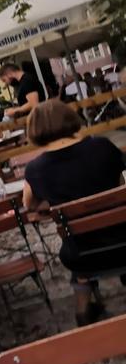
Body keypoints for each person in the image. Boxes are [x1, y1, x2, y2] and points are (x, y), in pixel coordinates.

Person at [22, 100, 126, 326]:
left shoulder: (35, 169)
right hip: (123, 240)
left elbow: (28, 205)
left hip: (82, 256)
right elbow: (119, 188)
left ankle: (83, 311)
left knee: (80, 243)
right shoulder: (102, 147)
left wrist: (52, 204)